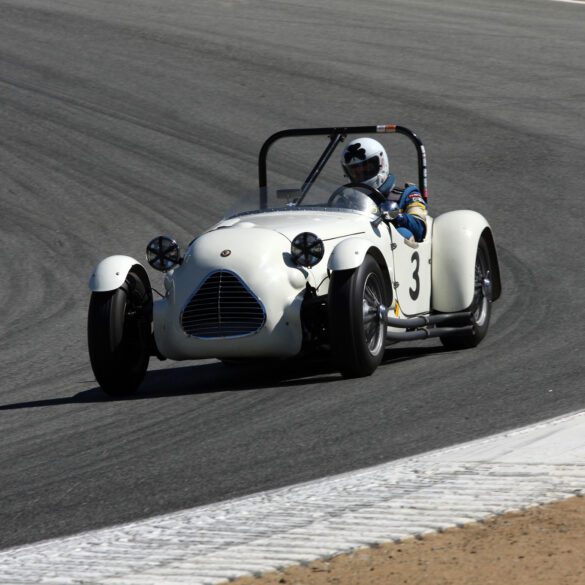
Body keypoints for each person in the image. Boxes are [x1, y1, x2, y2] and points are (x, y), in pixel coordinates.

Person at [341, 137, 427, 241]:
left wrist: (398, 216)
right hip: (356, 245)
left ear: (381, 163)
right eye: (356, 172)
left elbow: (420, 229)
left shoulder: (407, 194)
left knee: (404, 233)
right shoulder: (347, 200)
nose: (361, 174)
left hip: (391, 248)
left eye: (367, 168)